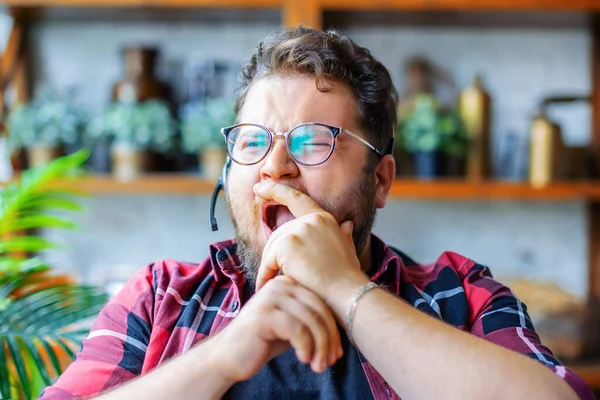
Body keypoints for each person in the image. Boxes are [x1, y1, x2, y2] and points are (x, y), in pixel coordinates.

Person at [40, 26, 592, 400]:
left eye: (312, 141)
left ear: (380, 181)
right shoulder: (160, 297)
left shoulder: (461, 294)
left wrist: (344, 288)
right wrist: (222, 358)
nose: (275, 167)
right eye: (253, 141)